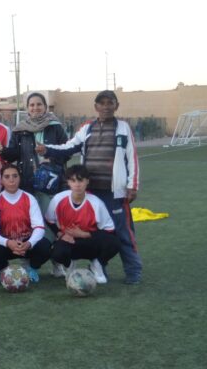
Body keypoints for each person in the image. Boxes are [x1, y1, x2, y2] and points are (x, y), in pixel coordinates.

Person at [37, 90, 142, 284]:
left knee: (122, 232)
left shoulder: (123, 128)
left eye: (110, 103)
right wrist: (48, 149)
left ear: (116, 105)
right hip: (90, 190)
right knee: (93, 229)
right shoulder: (87, 127)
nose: (106, 106)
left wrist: (132, 185)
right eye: (101, 103)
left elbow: (132, 157)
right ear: (96, 107)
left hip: (114, 191)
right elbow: (70, 146)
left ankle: (133, 271)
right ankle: (100, 267)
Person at [0, 93, 69, 239]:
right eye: (32, 105)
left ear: (45, 107)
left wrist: (51, 155)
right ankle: (31, 257)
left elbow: (67, 151)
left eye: (39, 104)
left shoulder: (55, 127)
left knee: (51, 220)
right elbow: (15, 154)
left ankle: (52, 254)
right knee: (30, 220)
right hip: (28, 181)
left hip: (51, 182)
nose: (35, 108)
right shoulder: (20, 129)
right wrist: (2, 151)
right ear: (27, 108)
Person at [45, 165, 120, 284]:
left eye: (80, 180)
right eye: (73, 180)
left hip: (89, 242)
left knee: (115, 243)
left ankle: (97, 264)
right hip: (68, 241)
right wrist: (60, 234)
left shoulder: (96, 203)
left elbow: (110, 231)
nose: (77, 184)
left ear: (87, 181)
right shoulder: (58, 199)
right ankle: (69, 265)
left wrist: (84, 234)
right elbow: (49, 220)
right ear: (68, 182)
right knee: (57, 253)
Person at [0, 165, 52, 282]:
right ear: (1, 180)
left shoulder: (29, 198)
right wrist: (8, 243)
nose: (11, 180)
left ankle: (32, 269)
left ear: (19, 178)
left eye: (15, 176)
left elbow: (39, 227)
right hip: (6, 245)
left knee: (45, 246)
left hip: (26, 244)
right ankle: (5, 270)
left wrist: (29, 243)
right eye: (7, 176)